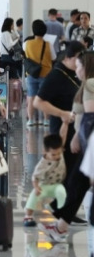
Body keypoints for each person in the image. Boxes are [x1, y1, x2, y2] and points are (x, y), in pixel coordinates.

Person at [39, 50, 94, 239]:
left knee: (77, 182)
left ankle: (60, 223)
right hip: (87, 145)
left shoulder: (89, 84)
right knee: (77, 183)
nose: (76, 69)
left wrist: (79, 138)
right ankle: (61, 225)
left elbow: (90, 118)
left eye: (79, 66)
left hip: (91, 147)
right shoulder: (84, 84)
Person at [24, 129, 68, 227]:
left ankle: (62, 215)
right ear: (46, 151)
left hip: (57, 185)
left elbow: (63, 135)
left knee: (62, 192)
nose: (56, 156)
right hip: (44, 186)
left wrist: (65, 124)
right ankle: (28, 216)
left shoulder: (60, 153)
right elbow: (35, 177)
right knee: (34, 195)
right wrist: (36, 187)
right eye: (53, 154)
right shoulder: (42, 164)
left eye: (58, 153)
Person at [24, 20, 56, 127]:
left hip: (31, 74)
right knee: (45, 98)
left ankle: (31, 120)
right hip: (45, 74)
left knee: (31, 97)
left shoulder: (27, 43)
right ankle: (46, 120)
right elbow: (54, 58)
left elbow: (25, 56)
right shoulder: (48, 45)